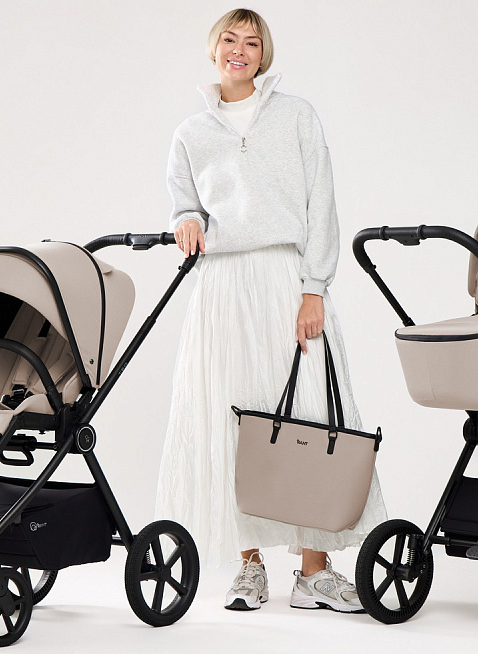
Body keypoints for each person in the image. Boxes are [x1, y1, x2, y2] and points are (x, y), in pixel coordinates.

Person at [154, 8, 386, 613]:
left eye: (251, 42)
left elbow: (321, 202)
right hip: (223, 284)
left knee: (310, 413)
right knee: (235, 420)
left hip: (286, 277)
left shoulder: (297, 116)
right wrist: (186, 221)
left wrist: (314, 287)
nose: (239, 50)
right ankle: (250, 566)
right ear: (213, 50)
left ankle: (314, 571)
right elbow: (185, 204)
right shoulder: (190, 133)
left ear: (264, 54)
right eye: (229, 39)